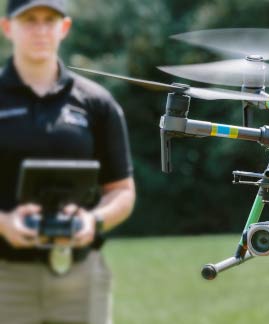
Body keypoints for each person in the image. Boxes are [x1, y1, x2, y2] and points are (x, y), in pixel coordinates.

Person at [0, 1, 135, 323]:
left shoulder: (97, 102)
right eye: (29, 20)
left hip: (81, 276)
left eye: (50, 20)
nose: (41, 29)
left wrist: (94, 222)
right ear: (7, 28)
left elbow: (122, 190)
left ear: (64, 27)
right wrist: (3, 223)